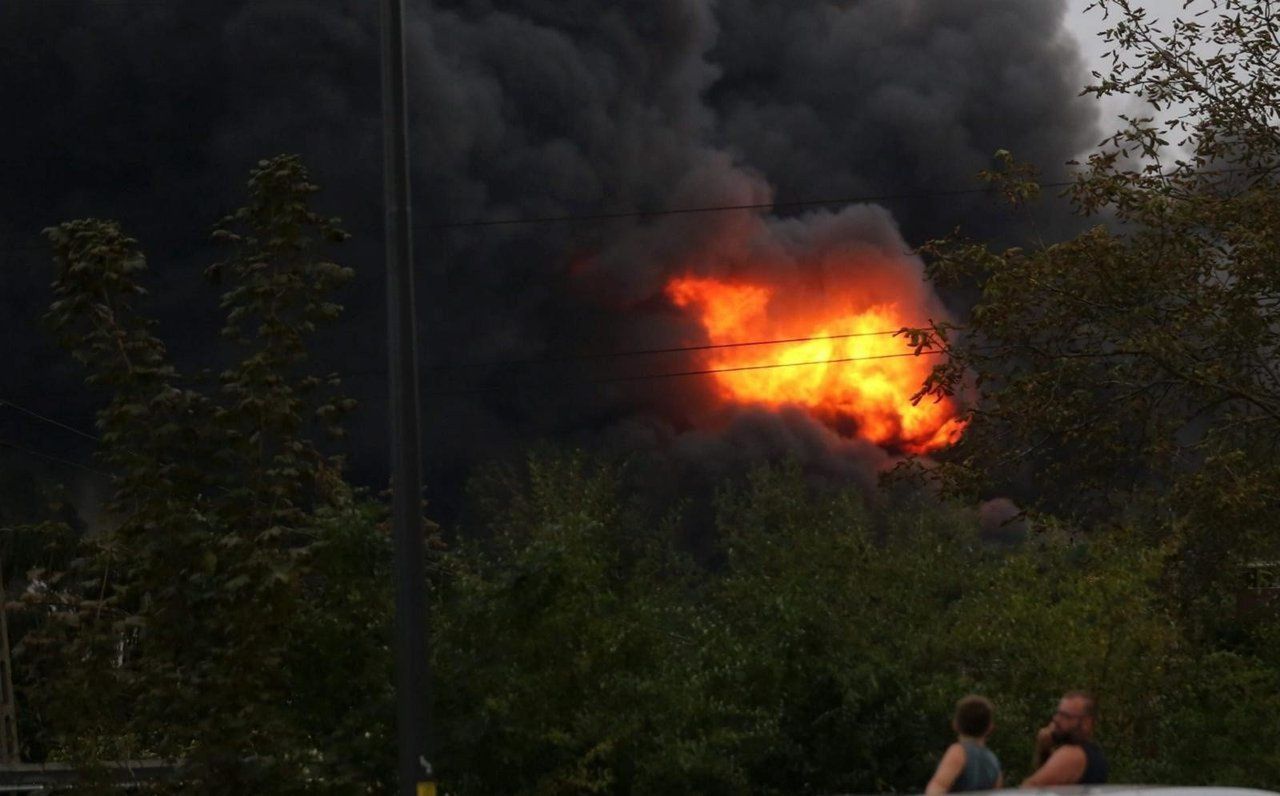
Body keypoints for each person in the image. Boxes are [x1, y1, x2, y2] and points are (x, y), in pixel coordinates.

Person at [1020, 690, 1108, 787]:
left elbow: (1029, 789)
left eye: (1066, 716)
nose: (1056, 720)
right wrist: (1044, 749)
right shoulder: (1094, 755)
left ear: (1086, 723)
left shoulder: (1072, 755)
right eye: (1058, 713)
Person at [925, 695, 1003, 794]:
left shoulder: (958, 752)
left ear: (955, 724)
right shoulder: (993, 761)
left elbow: (937, 787)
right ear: (989, 728)